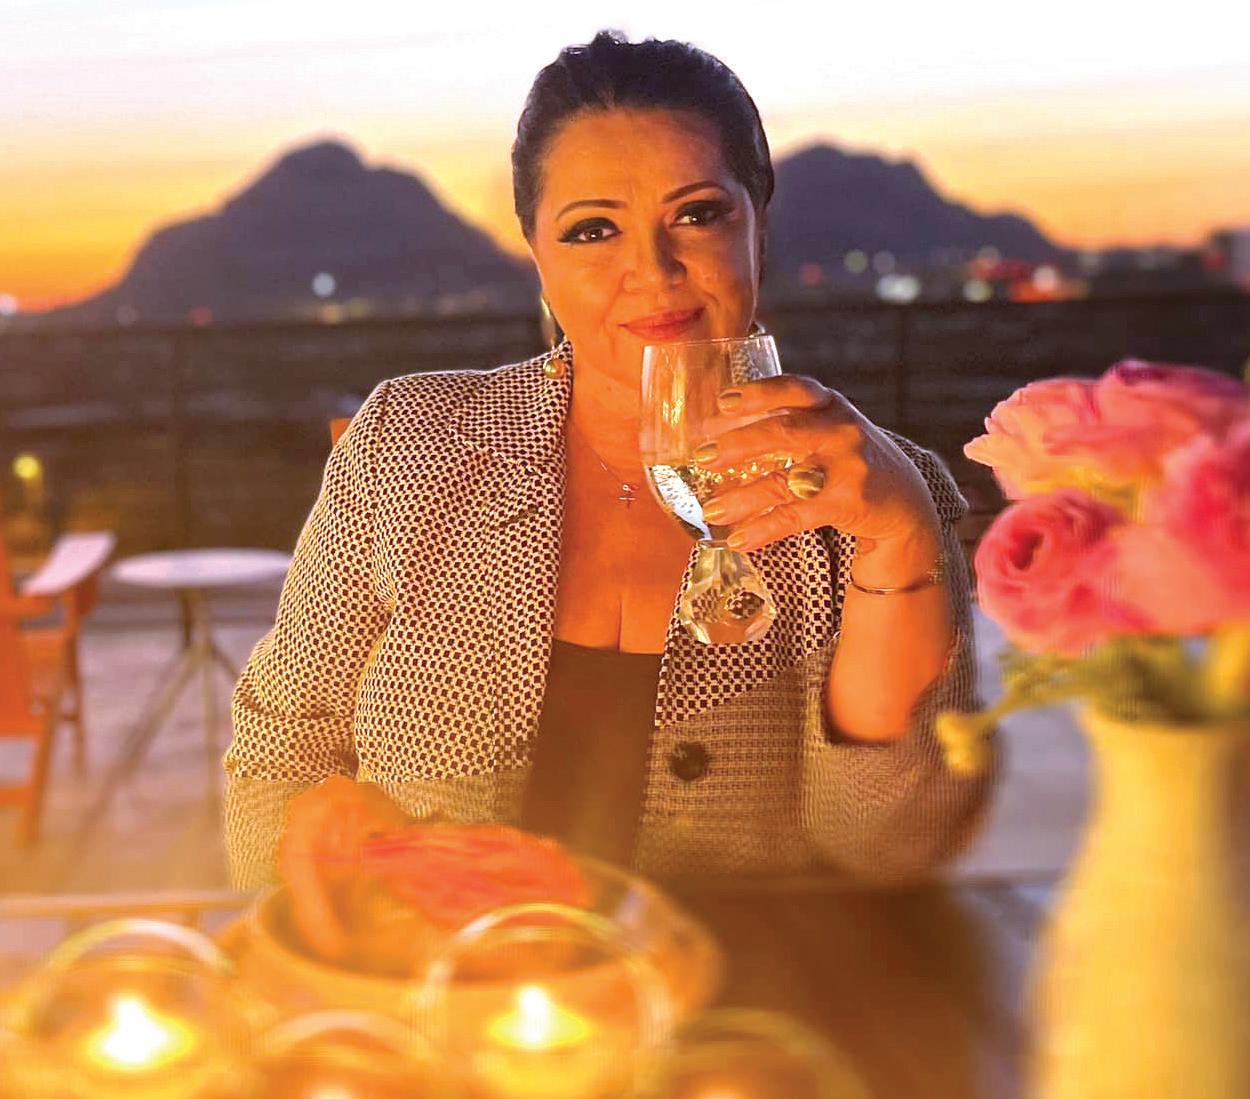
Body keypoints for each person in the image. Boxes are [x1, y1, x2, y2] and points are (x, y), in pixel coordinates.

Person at [224, 30, 994, 956]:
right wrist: (316, 863)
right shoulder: (407, 445)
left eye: (698, 215)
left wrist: (901, 540)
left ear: (758, 223)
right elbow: (276, 755)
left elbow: (889, 849)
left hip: (730, 1005)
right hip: (437, 996)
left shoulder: (877, 500)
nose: (654, 271)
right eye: (593, 230)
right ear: (537, 254)